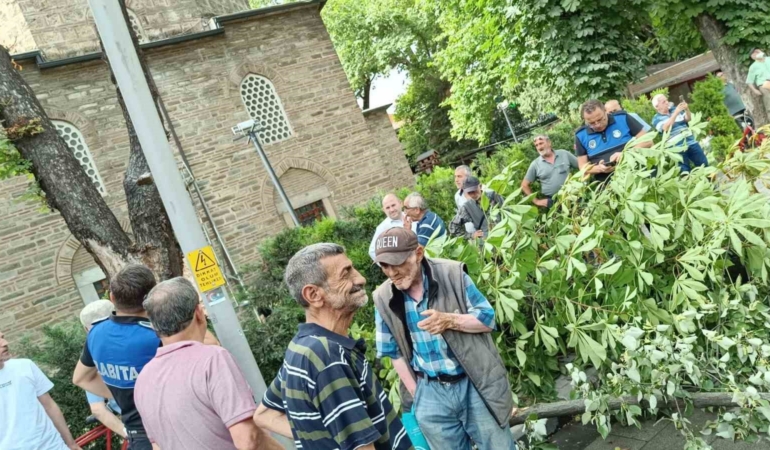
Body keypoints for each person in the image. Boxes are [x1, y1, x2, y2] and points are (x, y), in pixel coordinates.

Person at [253, 243, 413, 450]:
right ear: (313, 295)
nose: (360, 279)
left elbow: (265, 414)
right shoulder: (327, 357)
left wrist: (322, 439)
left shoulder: (301, 348)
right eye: (346, 274)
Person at [372, 227, 516, 450]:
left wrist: (450, 320)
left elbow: (487, 319)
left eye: (397, 263)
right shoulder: (383, 297)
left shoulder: (452, 274)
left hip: (473, 382)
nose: (392, 272)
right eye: (384, 265)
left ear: (418, 253)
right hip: (430, 392)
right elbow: (393, 352)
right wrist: (417, 394)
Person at [134, 277, 282, 450]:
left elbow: (157, 446)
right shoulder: (213, 359)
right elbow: (248, 440)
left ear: (154, 326)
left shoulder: (143, 379)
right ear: (198, 313)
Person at [72, 264, 159, 450]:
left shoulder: (96, 335)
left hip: (138, 434)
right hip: (170, 428)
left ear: (112, 297)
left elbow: (80, 378)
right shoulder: (157, 334)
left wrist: (123, 397)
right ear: (150, 297)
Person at [0, 330, 82, 450]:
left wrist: (71, 444)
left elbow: (50, 406)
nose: (5, 343)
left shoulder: (25, 366)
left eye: (3, 337)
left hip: (54, 446)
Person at [78, 301, 126, 440]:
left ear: (86, 330)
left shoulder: (91, 360)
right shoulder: (143, 333)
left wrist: (128, 433)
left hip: (136, 422)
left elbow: (98, 409)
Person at [575, 99, 651, 183]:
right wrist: (599, 168)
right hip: (607, 184)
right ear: (585, 120)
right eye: (592, 123)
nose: (597, 125)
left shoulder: (623, 118)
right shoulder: (580, 135)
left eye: (600, 119)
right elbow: (582, 166)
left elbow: (647, 141)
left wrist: (626, 154)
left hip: (637, 175)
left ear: (605, 111)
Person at [651, 93, 709, 173]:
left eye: (666, 100)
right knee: (684, 171)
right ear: (657, 106)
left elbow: (688, 119)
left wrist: (687, 109)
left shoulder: (674, 109)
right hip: (676, 148)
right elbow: (665, 128)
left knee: (704, 164)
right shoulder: (656, 119)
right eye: (664, 102)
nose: (667, 102)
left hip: (690, 141)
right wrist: (676, 113)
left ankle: (710, 180)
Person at [521, 134, 579, 208]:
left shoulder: (563, 154)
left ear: (549, 143)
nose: (539, 147)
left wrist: (583, 182)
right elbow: (524, 185)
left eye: (541, 143)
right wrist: (536, 201)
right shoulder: (535, 164)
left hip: (573, 195)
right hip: (553, 202)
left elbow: (582, 165)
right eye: (536, 145)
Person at [369, 193, 409, 261]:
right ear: (383, 210)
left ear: (400, 203)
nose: (391, 210)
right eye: (387, 208)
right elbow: (372, 251)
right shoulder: (382, 228)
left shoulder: (412, 218)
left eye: (393, 205)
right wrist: (390, 265)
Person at [746, 48, 770, 114]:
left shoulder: (769, 59)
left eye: (757, 51)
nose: (757, 53)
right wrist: (755, 90)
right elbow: (749, 81)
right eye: (754, 52)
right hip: (764, 84)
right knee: (768, 100)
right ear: (752, 57)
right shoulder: (753, 67)